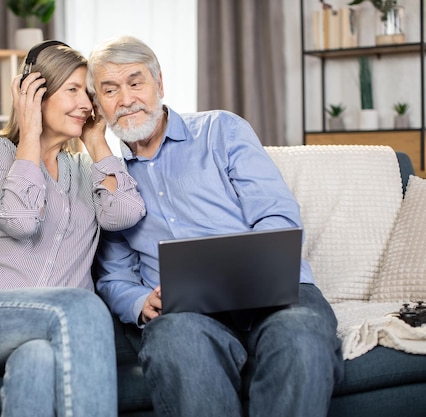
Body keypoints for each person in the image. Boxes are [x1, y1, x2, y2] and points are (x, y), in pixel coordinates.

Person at [87, 35, 344, 417]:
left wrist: (253, 268)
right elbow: (113, 276)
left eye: (136, 82)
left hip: (273, 293)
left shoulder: (221, 130)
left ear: (160, 83)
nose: (126, 99)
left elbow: (276, 213)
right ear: (98, 106)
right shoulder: (110, 179)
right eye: (110, 90)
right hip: (184, 312)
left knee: (301, 339)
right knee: (176, 344)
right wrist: (139, 302)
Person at [0, 40, 145, 417]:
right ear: (35, 92)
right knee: (83, 307)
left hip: (45, 330)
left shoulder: (84, 171)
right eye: (73, 90)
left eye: (88, 93)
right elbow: (20, 218)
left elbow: (125, 213)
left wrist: (96, 142)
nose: (86, 104)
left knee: (38, 361)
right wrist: (29, 133)